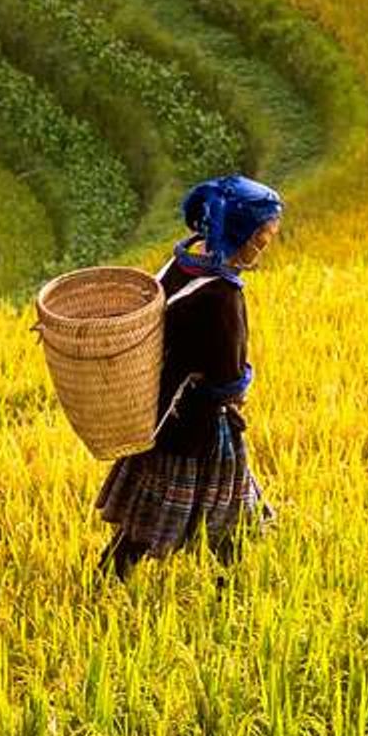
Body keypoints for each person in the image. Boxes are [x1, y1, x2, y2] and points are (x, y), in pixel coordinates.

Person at [98, 174, 281, 577]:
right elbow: (227, 375)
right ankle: (228, 588)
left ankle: (112, 574)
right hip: (202, 425)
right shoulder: (221, 297)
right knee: (227, 513)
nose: (261, 251)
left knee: (151, 511)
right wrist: (240, 390)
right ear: (239, 234)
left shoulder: (178, 265)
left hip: (160, 413)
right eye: (260, 240)